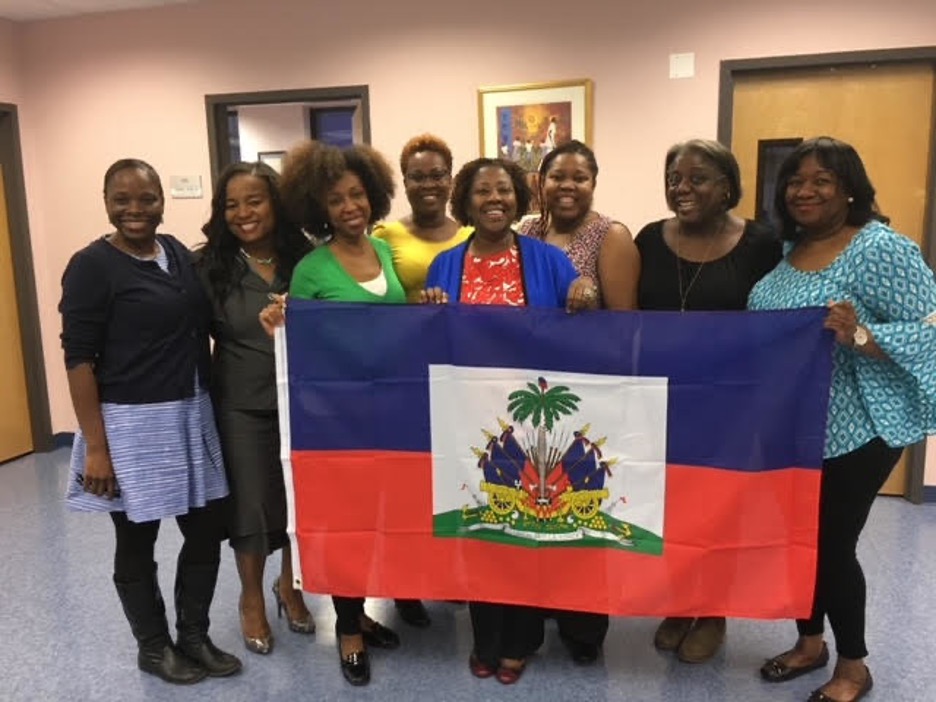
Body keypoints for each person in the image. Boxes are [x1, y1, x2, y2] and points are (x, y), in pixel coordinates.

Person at [749, 136, 936, 702]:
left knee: (831, 545)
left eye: (821, 180)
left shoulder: (879, 248)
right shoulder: (788, 249)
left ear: (848, 188)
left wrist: (859, 334)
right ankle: (810, 643)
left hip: (860, 427)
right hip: (795, 429)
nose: (804, 190)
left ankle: (854, 666)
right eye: (795, 181)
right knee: (799, 541)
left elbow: (929, 326)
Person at [59, 159, 241, 684]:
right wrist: (96, 446)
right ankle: (154, 647)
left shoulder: (178, 255)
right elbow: (79, 360)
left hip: (191, 414)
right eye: (122, 199)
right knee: (136, 540)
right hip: (131, 426)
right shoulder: (92, 265)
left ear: (163, 200)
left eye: (146, 198)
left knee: (206, 532)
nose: (135, 209)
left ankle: (193, 636)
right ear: (105, 201)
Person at [422, 157, 599, 684]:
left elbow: (582, 328)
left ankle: (520, 641)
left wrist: (584, 295)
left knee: (525, 533)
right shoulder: (444, 265)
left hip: (535, 422)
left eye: (504, 190)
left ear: (519, 199)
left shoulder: (548, 260)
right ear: (466, 201)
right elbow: (430, 343)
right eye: (482, 191)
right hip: (471, 424)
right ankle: (486, 639)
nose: (494, 199)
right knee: (480, 531)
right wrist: (428, 306)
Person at [635, 139, 781, 663]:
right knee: (670, 510)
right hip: (662, 401)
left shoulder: (762, 242)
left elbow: (785, 314)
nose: (683, 188)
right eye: (675, 177)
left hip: (731, 404)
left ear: (727, 187)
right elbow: (626, 317)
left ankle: (713, 612)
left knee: (718, 511)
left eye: (698, 178)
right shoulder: (650, 239)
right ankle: (680, 602)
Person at [270, 139, 404, 686]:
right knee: (348, 523)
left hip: (391, 414)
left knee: (379, 523)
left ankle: (364, 612)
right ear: (317, 209)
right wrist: (278, 320)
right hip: (338, 423)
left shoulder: (386, 252)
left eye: (357, 195)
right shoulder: (310, 269)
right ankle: (347, 628)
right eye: (335, 200)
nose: (350, 207)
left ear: (373, 196)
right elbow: (300, 346)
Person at [517, 139, 640, 663]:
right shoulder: (523, 231)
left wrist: (587, 298)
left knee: (581, 510)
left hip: (586, 398)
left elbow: (624, 326)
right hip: (524, 395)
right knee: (530, 505)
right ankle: (537, 608)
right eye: (556, 176)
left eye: (579, 178)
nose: (567, 186)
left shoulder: (610, 237)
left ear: (594, 183)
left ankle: (583, 627)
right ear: (539, 181)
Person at [196, 161, 314, 656]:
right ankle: (250, 600)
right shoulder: (209, 268)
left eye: (255, 200)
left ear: (276, 204)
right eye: (231, 204)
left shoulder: (304, 258)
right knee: (251, 504)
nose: (243, 212)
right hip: (240, 404)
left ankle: (290, 587)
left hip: (301, 400)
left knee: (297, 502)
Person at [371, 134, 472, 626]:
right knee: (406, 485)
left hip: (460, 378)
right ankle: (403, 587)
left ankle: (449, 575)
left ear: (451, 179)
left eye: (437, 174)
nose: (428, 183)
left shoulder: (471, 232)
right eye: (418, 176)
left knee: (454, 479)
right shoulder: (385, 236)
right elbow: (377, 301)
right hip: (405, 376)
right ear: (404, 182)